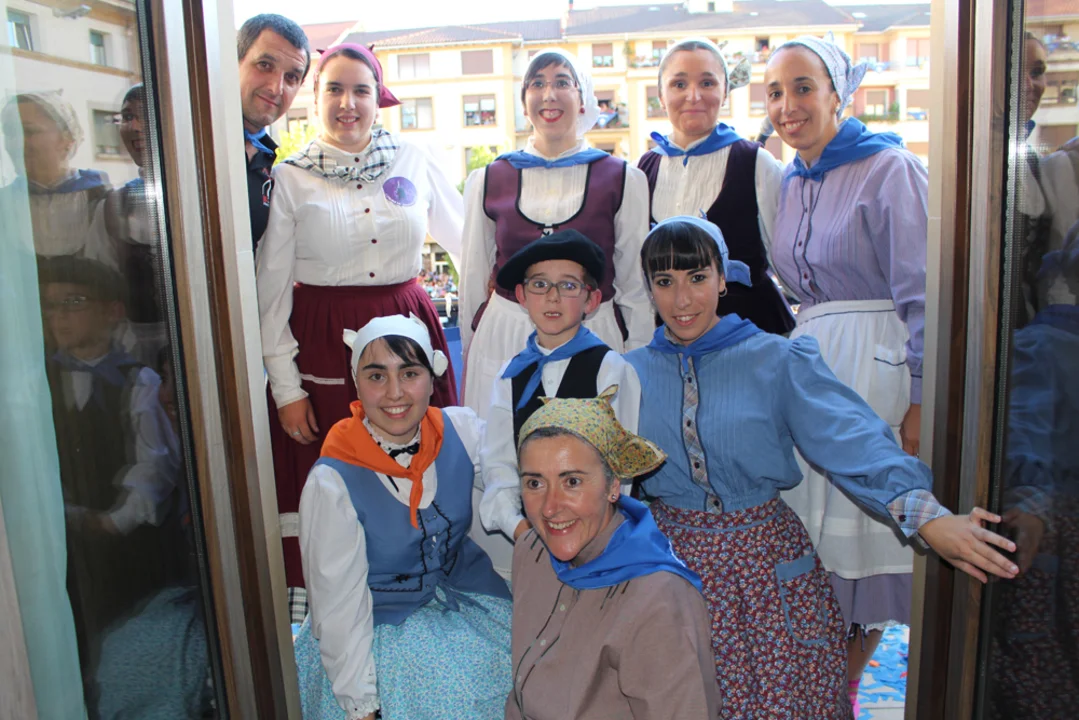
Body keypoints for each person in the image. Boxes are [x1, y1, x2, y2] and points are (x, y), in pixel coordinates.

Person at [624, 216, 1021, 718]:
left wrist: (928, 517)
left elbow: (851, 436)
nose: (682, 299)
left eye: (697, 277)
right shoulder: (629, 372)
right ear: (649, 288)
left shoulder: (777, 359)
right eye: (665, 281)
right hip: (671, 573)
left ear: (722, 278)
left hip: (765, 573)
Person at [257, 42, 464, 620]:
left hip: (408, 335)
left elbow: (469, 244)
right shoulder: (291, 177)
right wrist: (287, 389)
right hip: (323, 345)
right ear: (315, 97)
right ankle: (337, 615)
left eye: (361, 90)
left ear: (379, 98)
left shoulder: (413, 159)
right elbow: (270, 294)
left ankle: (424, 596)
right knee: (339, 478)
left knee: (420, 464)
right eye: (335, 89)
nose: (348, 103)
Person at [760, 34, 933, 707]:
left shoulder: (890, 169)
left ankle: (842, 690)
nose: (788, 105)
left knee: (863, 545)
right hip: (814, 371)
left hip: (872, 370)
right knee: (823, 553)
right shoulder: (794, 181)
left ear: (838, 94)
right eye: (775, 92)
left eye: (803, 87)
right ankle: (827, 689)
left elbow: (921, 291)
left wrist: (918, 396)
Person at [292, 314, 511, 720]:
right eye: (377, 376)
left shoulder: (458, 430)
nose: (395, 393)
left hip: (467, 599)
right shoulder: (333, 481)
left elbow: (514, 474)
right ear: (356, 383)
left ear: (432, 377)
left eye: (409, 373)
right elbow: (338, 603)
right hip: (377, 628)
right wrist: (361, 703)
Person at [459, 48, 651, 418]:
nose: (549, 94)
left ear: (583, 99)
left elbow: (634, 288)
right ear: (523, 102)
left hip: (592, 333)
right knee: (503, 444)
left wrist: (638, 363)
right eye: (537, 83)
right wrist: (470, 348)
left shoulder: (624, 179)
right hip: (507, 334)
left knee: (589, 445)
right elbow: (472, 280)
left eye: (563, 82)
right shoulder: (487, 179)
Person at [506, 390, 719, 719]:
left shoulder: (657, 601)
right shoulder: (530, 551)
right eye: (535, 483)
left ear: (613, 486)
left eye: (572, 481)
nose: (549, 508)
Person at [39, 256, 185, 708]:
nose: (60, 316)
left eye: (74, 302)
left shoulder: (137, 381)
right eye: (51, 306)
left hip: (123, 543)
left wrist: (115, 521)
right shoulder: (38, 380)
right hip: (59, 536)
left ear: (112, 311)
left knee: (123, 635)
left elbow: (155, 463)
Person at [478, 229, 641, 578]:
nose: (552, 297)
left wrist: (597, 540)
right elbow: (499, 464)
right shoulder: (510, 374)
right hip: (535, 538)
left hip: (600, 545)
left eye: (568, 286)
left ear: (591, 300)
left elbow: (621, 471)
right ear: (522, 296)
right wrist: (521, 529)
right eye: (540, 284)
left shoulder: (611, 370)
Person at [637, 37, 794, 335]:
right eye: (679, 84)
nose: (693, 96)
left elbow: (785, 261)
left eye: (707, 83)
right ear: (661, 96)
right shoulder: (642, 171)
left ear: (724, 92)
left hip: (753, 336)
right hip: (671, 341)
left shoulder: (755, 162)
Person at [1, 92, 112, 265]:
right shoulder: (5, 203)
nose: (16, 142)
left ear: (66, 138)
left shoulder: (101, 197)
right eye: (10, 132)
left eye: (29, 131)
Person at [103, 83, 167, 366]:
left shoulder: (206, 193)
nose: (136, 127)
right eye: (128, 116)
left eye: (147, 115)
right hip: (140, 343)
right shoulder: (119, 200)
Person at [236, 13, 310, 252]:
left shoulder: (268, 161)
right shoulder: (198, 140)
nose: (276, 88)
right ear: (234, 62)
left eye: (291, 77)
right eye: (265, 65)